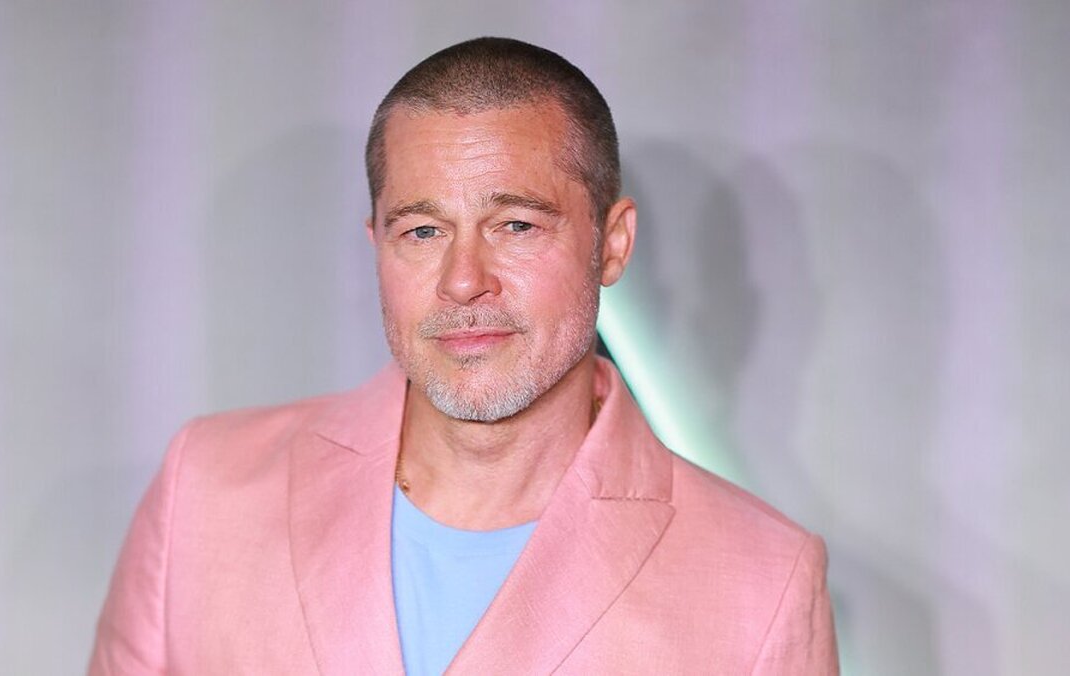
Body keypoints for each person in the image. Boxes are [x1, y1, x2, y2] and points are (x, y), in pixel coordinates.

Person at [90, 37, 838, 675]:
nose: (462, 280)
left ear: (611, 244)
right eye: (422, 232)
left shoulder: (762, 582)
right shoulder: (206, 490)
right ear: (377, 244)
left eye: (515, 225)